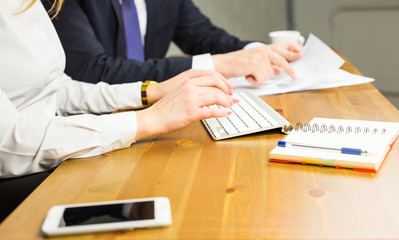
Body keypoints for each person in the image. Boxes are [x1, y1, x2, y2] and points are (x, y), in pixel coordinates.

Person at [0, 0, 236, 222]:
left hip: (46, 156)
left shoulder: (28, 5)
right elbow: (7, 144)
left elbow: (56, 88)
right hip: (20, 179)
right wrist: (147, 121)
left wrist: (146, 93)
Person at [42, 0, 302, 86]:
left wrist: (253, 51)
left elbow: (202, 35)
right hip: (87, 125)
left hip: (151, 114)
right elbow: (90, 71)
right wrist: (216, 65)